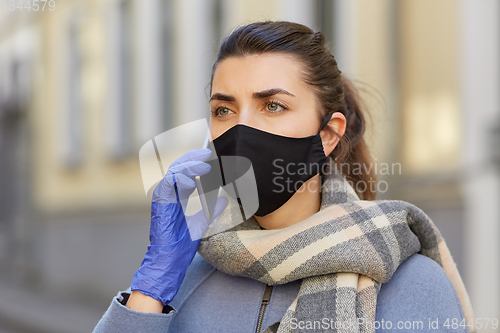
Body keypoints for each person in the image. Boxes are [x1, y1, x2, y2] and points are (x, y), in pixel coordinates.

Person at [93, 21, 476, 333]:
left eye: (272, 106)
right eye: (224, 110)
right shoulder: (186, 280)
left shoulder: (410, 285)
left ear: (327, 134)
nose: (241, 129)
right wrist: (151, 288)